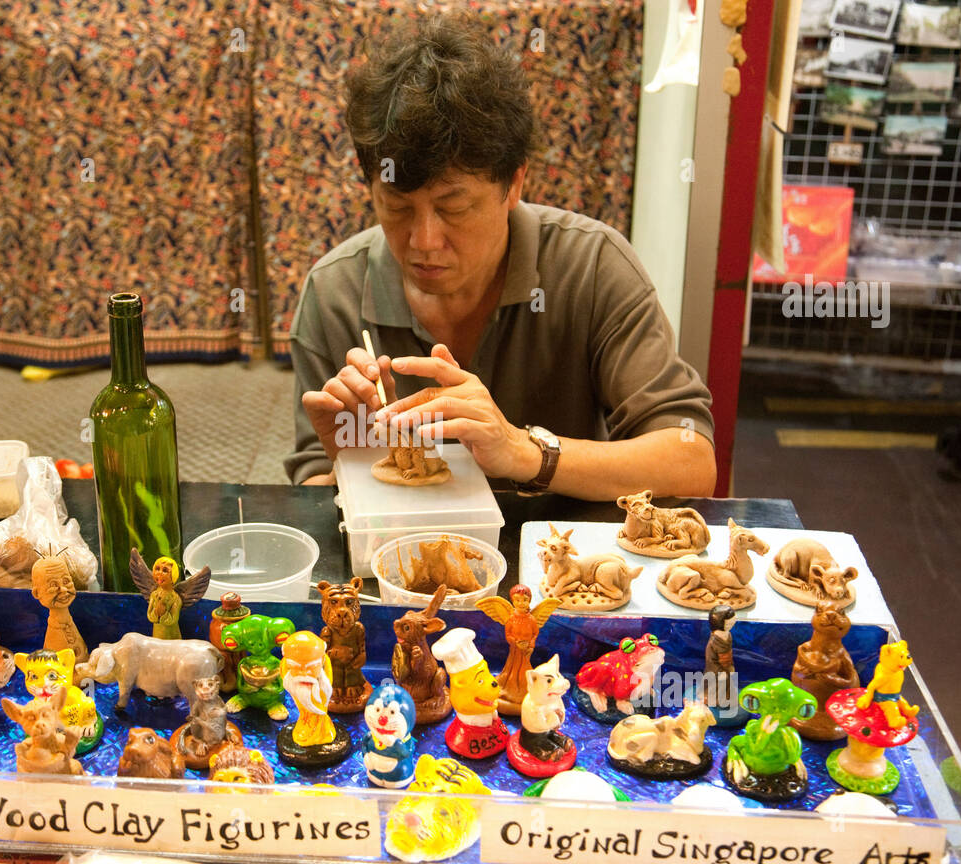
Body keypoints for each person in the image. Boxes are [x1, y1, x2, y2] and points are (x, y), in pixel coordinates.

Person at [284, 14, 717, 500]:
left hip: (555, 561)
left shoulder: (591, 267)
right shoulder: (334, 292)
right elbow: (317, 496)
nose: (424, 241)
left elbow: (692, 458)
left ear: (514, 183)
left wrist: (523, 450)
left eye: (455, 207)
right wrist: (352, 457)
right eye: (397, 206)